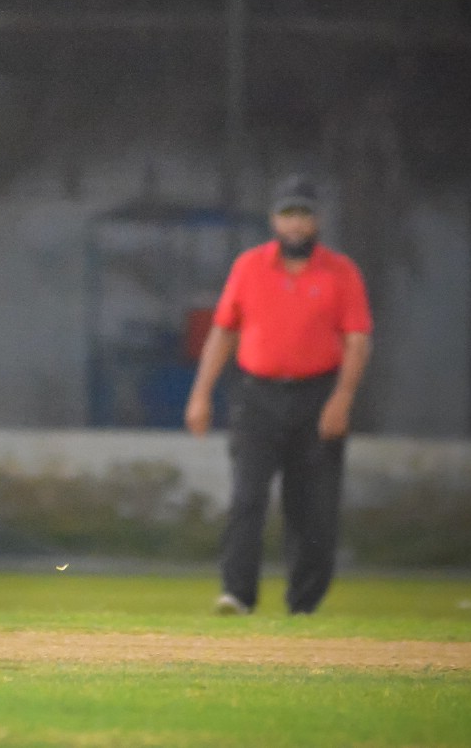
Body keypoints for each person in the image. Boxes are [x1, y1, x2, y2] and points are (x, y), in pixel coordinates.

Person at [182, 174, 372, 616]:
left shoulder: (340, 272)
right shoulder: (249, 267)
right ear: (273, 220)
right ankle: (238, 594)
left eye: (304, 215)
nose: (296, 225)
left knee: (313, 507)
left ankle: (304, 603)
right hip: (258, 396)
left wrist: (342, 399)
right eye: (288, 215)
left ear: (317, 221)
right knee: (247, 496)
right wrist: (200, 395)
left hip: (317, 396)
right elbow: (224, 331)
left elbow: (358, 340)